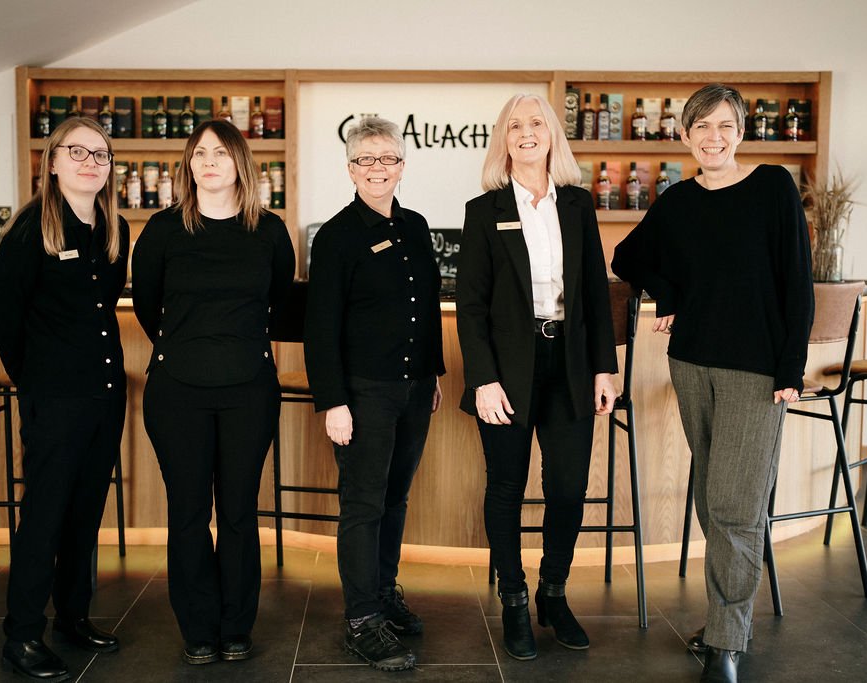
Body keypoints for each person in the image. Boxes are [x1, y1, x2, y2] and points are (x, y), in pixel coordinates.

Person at [612, 83, 813, 683]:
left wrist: (790, 368)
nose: (713, 137)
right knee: (711, 498)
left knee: (735, 504)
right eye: (701, 127)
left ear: (741, 131)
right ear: (684, 135)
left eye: (724, 126)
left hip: (757, 371)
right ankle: (728, 618)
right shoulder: (676, 203)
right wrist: (669, 293)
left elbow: (796, 282)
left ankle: (725, 641)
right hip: (692, 363)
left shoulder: (774, 187)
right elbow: (627, 257)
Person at [456, 94, 618, 661]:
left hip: (570, 366)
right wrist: (483, 379)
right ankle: (515, 600)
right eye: (515, 125)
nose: (526, 132)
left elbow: (595, 293)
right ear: (503, 138)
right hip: (507, 372)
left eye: (536, 123)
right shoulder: (485, 210)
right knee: (505, 487)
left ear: (552, 134)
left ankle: (553, 591)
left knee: (568, 488)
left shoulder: (577, 204)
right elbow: (470, 307)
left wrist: (605, 366)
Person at [131, 120, 295, 665]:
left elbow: (278, 302)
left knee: (239, 512)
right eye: (200, 153)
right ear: (188, 164)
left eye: (221, 153)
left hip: (249, 387)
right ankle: (198, 628)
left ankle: (235, 626)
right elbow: (147, 305)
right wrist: (185, 347)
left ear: (241, 164)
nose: (209, 162)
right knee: (187, 511)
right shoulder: (162, 230)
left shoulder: (269, 231)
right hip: (178, 390)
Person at [304, 116, 445, 672]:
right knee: (362, 506)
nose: (377, 168)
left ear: (402, 166)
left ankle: (384, 595)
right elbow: (322, 327)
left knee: (395, 498)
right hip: (362, 394)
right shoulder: (337, 236)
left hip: (413, 389)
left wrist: (431, 376)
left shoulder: (415, 225)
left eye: (387, 158)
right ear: (351, 169)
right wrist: (332, 402)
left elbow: (426, 308)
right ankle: (362, 620)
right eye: (366, 159)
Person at [0, 116, 129, 681]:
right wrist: (37, 382)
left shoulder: (112, 229)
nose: (91, 162)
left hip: (104, 394)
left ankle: (72, 616)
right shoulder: (30, 230)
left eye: (101, 154)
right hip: (55, 396)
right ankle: (22, 634)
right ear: (52, 161)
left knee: (84, 513)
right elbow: (6, 322)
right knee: (45, 514)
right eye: (79, 152)